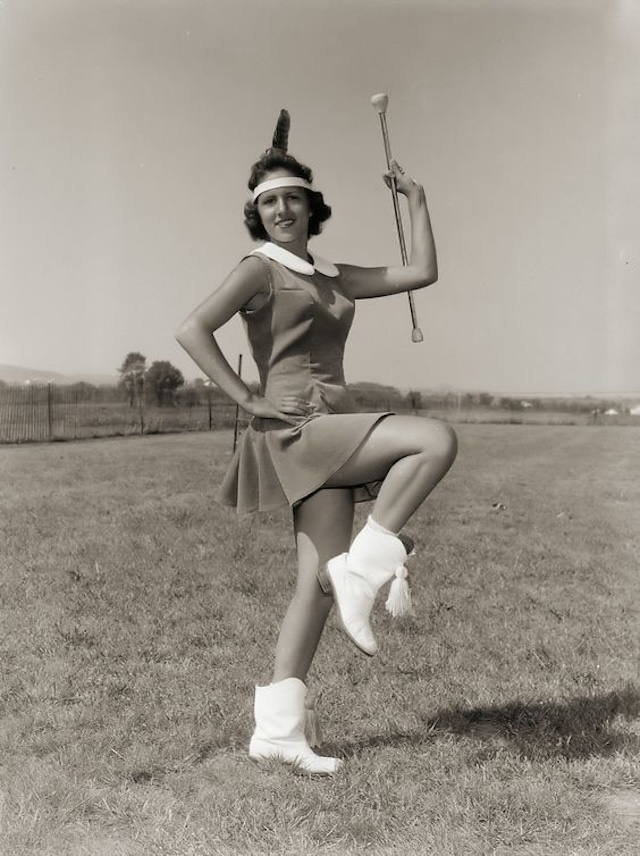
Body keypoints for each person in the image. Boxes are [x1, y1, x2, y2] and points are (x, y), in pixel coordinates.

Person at [175, 110, 457, 776]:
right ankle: (367, 565)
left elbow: (420, 271)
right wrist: (247, 400)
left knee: (313, 586)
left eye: (290, 198)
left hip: (332, 426)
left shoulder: (330, 273)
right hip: (298, 429)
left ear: (310, 206)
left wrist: (417, 202)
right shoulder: (257, 268)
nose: (279, 208)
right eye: (267, 200)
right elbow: (193, 329)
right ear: (257, 213)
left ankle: (276, 733)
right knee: (434, 440)